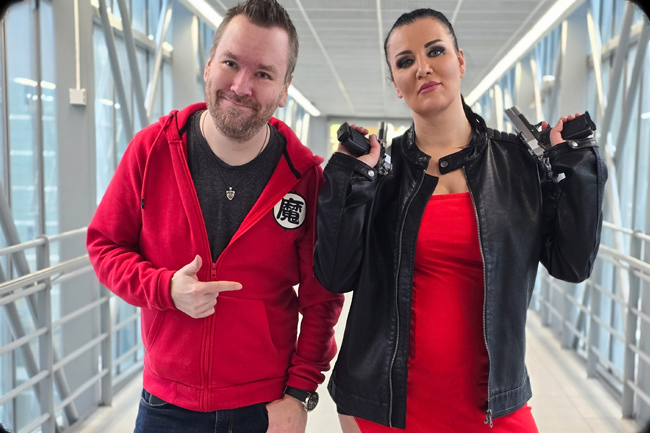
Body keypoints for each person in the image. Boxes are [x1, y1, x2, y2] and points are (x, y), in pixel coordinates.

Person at [313, 8, 606, 433]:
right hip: (385, 406)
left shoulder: (519, 164)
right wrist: (346, 177)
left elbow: (572, 264)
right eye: (405, 61)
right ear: (395, 84)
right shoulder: (380, 174)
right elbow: (335, 274)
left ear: (461, 61)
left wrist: (578, 166)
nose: (423, 68)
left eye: (435, 51)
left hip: (492, 406)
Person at [86, 0, 344, 431]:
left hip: (263, 407)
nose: (241, 86)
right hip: (165, 405)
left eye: (263, 74)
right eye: (231, 63)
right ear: (209, 66)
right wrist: (165, 288)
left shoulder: (304, 179)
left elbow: (322, 298)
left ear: (284, 89)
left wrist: (300, 394)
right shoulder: (151, 151)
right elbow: (105, 246)